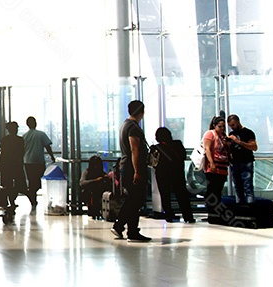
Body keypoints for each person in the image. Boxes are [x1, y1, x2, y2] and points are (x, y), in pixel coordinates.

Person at [112, 100, 151, 242]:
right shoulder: (133, 128)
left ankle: (130, 229)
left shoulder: (125, 125)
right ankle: (122, 226)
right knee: (136, 199)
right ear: (141, 112)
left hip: (126, 166)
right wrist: (137, 171)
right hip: (132, 167)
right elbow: (134, 149)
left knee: (133, 199)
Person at [151, 127, 195, 223]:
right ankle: (188, 216)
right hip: (177, 173)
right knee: (182, 195)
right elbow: (183, 156)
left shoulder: (155, 148)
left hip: (162, 174)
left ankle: (169, 215)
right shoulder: (177, 144)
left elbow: (152, 163)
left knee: (165, 195)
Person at [22, 116, 55, 211]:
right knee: (40, 181)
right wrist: (52, 156)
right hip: (38, 161)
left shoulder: (24, 136)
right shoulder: (41, 134)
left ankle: (33, 198)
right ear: (35, 123)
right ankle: (34, 196)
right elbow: (47, 146)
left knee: (32, 181)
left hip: (27, 161)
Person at [202, 115, 230, 218]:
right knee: (212, 189)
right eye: (220, 126)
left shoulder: (223, 136)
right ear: (215, 126)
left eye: (223, 127)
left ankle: (217, 211)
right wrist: (211, 163)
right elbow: (207, 149)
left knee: (218, 189)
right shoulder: (210, 134)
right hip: (213, 166)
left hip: (222, 166)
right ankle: (211, 211)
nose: (222, 129)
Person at [226, 114, 257, 204]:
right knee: (238, 187)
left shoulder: (248, 133)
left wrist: (238, 142)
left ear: (238, 122)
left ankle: (250, 208)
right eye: (230, 126)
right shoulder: (232, 134)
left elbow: (254, 147)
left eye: (233, 125)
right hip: (235, 163)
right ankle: (240, 208)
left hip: (246, 162)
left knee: (247, 186)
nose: (232, 127)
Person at [0, 121, 26, 210]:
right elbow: (22, 153)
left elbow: (2, 154)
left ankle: (6, 201)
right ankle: (12, 200)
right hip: (16, 165)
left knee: (6, 184)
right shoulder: (20, 140)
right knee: (18, 184)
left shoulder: (4, 140)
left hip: (6, 165)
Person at [79, 155, 110, 220]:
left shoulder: (102, 173)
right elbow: (82, 183)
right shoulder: (87, 172)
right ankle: (93, 209)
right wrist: (95, 181)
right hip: (89, 192)